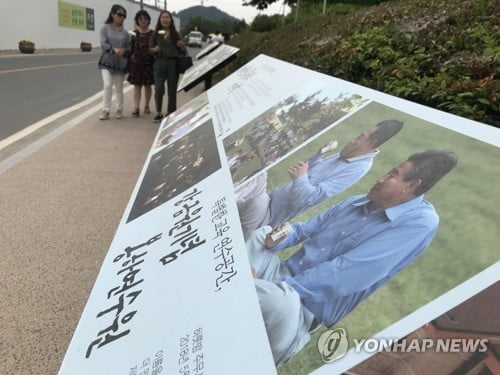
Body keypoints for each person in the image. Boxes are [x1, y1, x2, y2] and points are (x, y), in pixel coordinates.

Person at [246, 150, 458, 366]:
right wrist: (278, 238)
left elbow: (346, 273)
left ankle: (240, 287)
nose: (381, 178)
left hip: (299, 309)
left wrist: (276, 287)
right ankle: (247, 289)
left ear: (411, 186)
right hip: (280, 277)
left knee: (280, 299)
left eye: (393, 174)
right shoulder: (357, 202)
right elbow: (304, 229)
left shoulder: (420, 223)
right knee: (259, 236)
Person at [237, 119, 404, 239]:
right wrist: (319, 154)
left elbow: (310, 198)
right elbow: (309, 171)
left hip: (268, 216)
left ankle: (239, 232)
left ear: (371, 142)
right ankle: (230, 203)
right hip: (270, 198)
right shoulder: (346, 155)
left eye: (361, 136)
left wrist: (300, 177)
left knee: (255, 199)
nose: (353, 139)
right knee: (258, 175)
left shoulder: (358, 167)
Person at [150, 10, 187, 123]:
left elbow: (184, 52)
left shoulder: (176, 34)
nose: (165, 19)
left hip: (173, 63)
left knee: (172, 90)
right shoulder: (155, 34)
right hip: (159, 62)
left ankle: (171, 112)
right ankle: (159, 112)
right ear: (159, 20)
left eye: (167, 17)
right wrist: (154, 50)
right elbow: (150, 49)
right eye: (163, 17)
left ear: (171, 20)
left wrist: (182, 46)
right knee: (159, 88)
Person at [98, 4, 130, 120]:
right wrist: (113, 49)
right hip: (106, 61)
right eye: (119, 15)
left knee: (119, 88)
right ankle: (105, 110)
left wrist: (124, 51)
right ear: (112, 15)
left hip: (120, 63)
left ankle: (119, 109)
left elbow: (128, 47)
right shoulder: (104, 28)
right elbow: (103, 43)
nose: (122, 17)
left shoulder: (126, 33)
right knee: (107, 85)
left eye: (124, 16)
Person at [127, 10, 155, 117]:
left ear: (148, 20)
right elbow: (130, 49)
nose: (143, 21)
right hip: (136, 64)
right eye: (140, 19)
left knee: (148, 86)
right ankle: (136, 108)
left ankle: (147, 106)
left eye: (145, 19)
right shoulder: (133, 34)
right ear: (137, 21)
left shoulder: (153, 34)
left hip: (149, 64)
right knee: (137, 86)